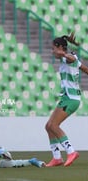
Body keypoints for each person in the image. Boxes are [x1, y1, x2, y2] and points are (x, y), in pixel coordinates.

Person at [45, 32, 88, 167]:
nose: (52, 51)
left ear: (59, 47)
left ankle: (71, 151)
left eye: (53, 48)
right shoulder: (70, 57)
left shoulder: (68, 57)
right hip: (69, 98)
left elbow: (70, 58)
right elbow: (85, 69)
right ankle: (57, 157)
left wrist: (63, 53)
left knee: (53, 125)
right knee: (48, 127)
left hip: (71, 98)